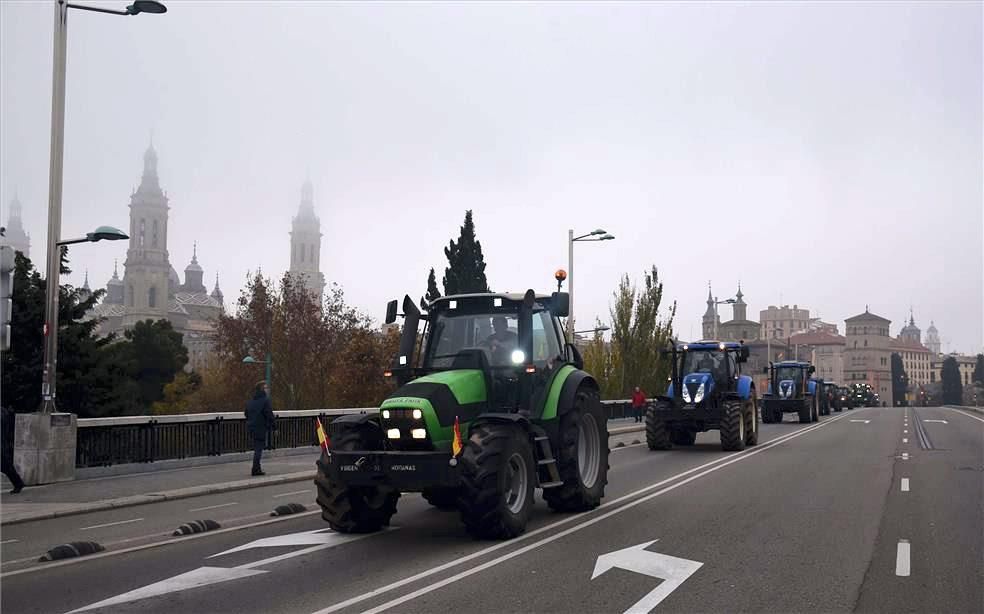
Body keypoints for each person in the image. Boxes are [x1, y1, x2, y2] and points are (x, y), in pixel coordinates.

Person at [245, 381, 276, 476]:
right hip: (260, 427)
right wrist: (274, 427)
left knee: (256, 447)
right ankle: (255, 469)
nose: (267, 389)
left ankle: (256, 467)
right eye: (266, 388)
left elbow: (246, 413)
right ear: (262, 389)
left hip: (251, 427)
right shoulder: (265, 400)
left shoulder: (251, 401)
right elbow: (269, 414)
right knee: (259, 449)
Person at [1, 406, 26, 494]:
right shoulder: (3, 411)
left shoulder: (2, 413)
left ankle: (18, 483)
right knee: (5, 466)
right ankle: (18, 483)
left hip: (1, 444)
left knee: (5, 466)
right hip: (3, 444)